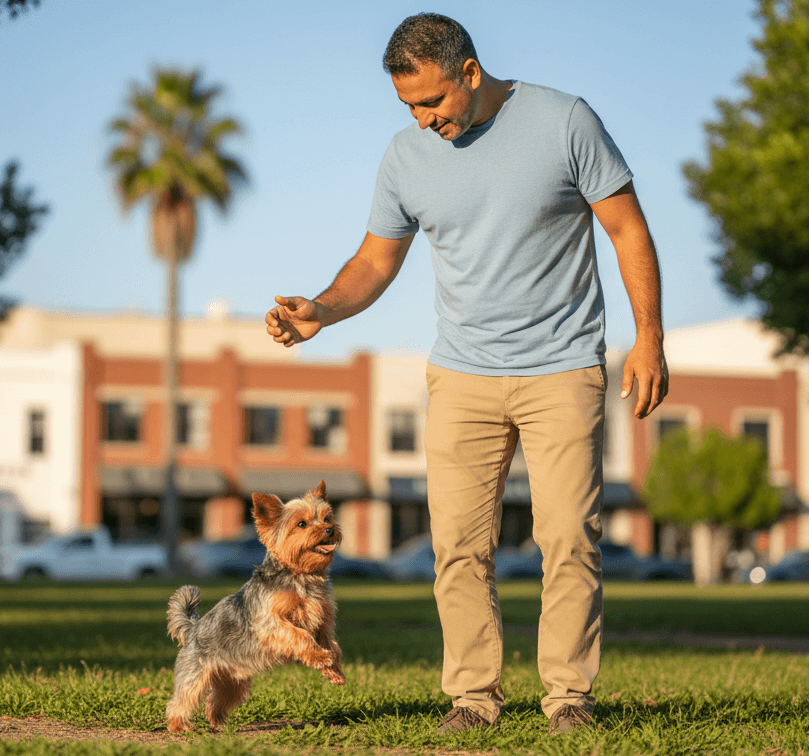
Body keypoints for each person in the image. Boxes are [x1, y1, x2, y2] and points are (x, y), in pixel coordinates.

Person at [264, 12, 668, 736]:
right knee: (457, 545)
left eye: (432, 102)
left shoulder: (565, 121)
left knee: (570, 535)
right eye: (408, 107)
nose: (422, 120)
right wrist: (320, 309)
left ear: (470, 73)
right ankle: (474, 700)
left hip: (563, 366)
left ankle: (569, 698)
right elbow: (374, 261)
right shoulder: (405, 155)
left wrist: (650, 339)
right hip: (462, 374)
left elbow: (627, 227)